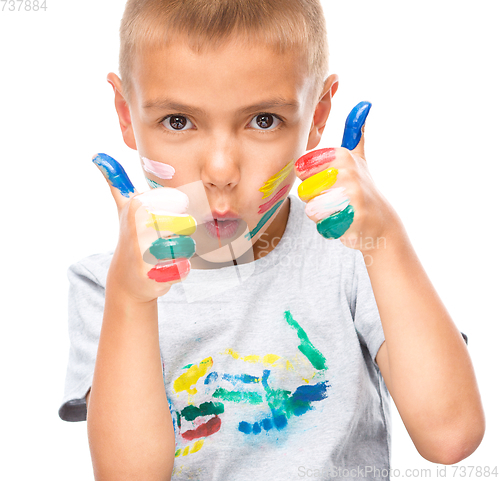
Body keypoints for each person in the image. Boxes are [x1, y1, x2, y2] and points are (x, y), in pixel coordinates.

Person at [58, 0, 485, 479]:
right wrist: (131, 299)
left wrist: (385, 240)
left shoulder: (352, 253)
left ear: (318, 113)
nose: (220, 170)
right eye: (178, 121)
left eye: (263, 120)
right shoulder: (103, 284)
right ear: (124, 112)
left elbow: (450, 436)